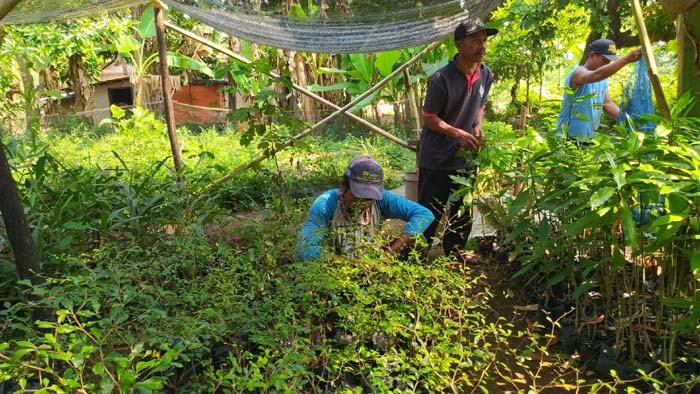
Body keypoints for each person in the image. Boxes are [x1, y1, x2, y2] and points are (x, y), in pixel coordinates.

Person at [417, 18, 497, 263]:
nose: (481, 46)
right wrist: (457, 133)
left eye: (484, 40)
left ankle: (456, 250)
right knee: (431, 208)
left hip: (465, 155)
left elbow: (480, 105)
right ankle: (419, 251)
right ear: (459, 45)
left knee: (463, 207)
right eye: (475, 41)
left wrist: (476, 126)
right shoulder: (441, 79)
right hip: (437, 156)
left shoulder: (486, 74)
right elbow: (429, 118)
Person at [296, 155, 434, 261]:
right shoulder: (325, 204)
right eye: (358, 195)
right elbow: (304, 249)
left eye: (369, 198)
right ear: (343, 187)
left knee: (418, 241)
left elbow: (424, 214)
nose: (363, 202)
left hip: (371, 256)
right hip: (335, 264)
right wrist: (349, 264)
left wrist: (388, 255)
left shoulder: (382, 199)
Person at [555, 38, 642, 141]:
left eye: (609, 62)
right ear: (592, 55)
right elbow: (596, 75)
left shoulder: (602, 80)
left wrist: (629, 119)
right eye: (605, 60)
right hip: (567, 138)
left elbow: (607, 104)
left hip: (588, 138)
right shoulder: (578, 73)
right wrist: (626, 59)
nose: (607, 65)